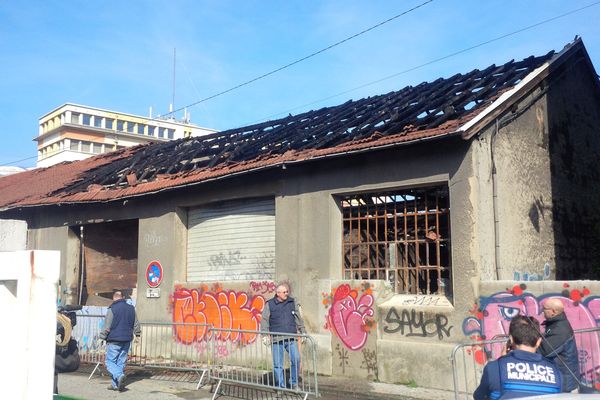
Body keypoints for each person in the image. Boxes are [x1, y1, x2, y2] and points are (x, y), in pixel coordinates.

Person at [474, 315, 562, 399]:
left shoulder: (494, 368)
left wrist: (502, 361)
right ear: (538, 341)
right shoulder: (555, 371)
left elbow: (479, 396)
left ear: (511, 340)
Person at [261, 283, 306, 392]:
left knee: (296, 359)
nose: (287, 293)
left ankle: (294, 384)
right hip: (277, 339)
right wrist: (265, 335)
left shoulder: (292, 302)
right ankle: (280, 387)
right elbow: (264, 320)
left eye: (287, 292)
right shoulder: (270, 304)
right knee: (278, 364)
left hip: (291, 338)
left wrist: (303, 331)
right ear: (278, 293)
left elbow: (298, 318)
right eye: (284, 292)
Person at [99, 290, 141, 392]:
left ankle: (119, 375)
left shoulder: (112, 309)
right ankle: (115, 384)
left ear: (114, 298)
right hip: (127, 339)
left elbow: (107, 326)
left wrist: (102, 337)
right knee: (120, 362)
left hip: (114, 340)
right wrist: (138, 334)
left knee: (109, 362)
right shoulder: (131, 309)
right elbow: (136, 323)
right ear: (123, 297)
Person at [539, 297, 580, 392]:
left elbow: (545, 351)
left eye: (544, 309)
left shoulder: (560, 330)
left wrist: (528, 344)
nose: (542, 312)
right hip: (561, 380)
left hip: (566, 386)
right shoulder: (556, 324)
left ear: (553, 311)